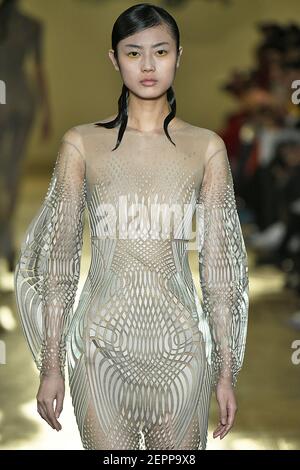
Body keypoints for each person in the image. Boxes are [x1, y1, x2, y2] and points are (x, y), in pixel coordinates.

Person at [14, 3, 249, 450]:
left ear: (179, 56)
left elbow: (221, 269)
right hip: (100, 351)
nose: (147, 65)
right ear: (114, 59)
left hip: (182, 353)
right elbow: (58, 262)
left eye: (160, 52)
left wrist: (225, 372)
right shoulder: (82, 144)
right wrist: (51, 367)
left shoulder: (206, 148)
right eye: (133, 52)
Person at [0, 0, 52, 273]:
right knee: (12, 174)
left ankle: (6, 238)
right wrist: (47, 111)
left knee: (6, 175)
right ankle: (6, 240)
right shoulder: (32, 26)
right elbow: (39, 73)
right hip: (22, 98)